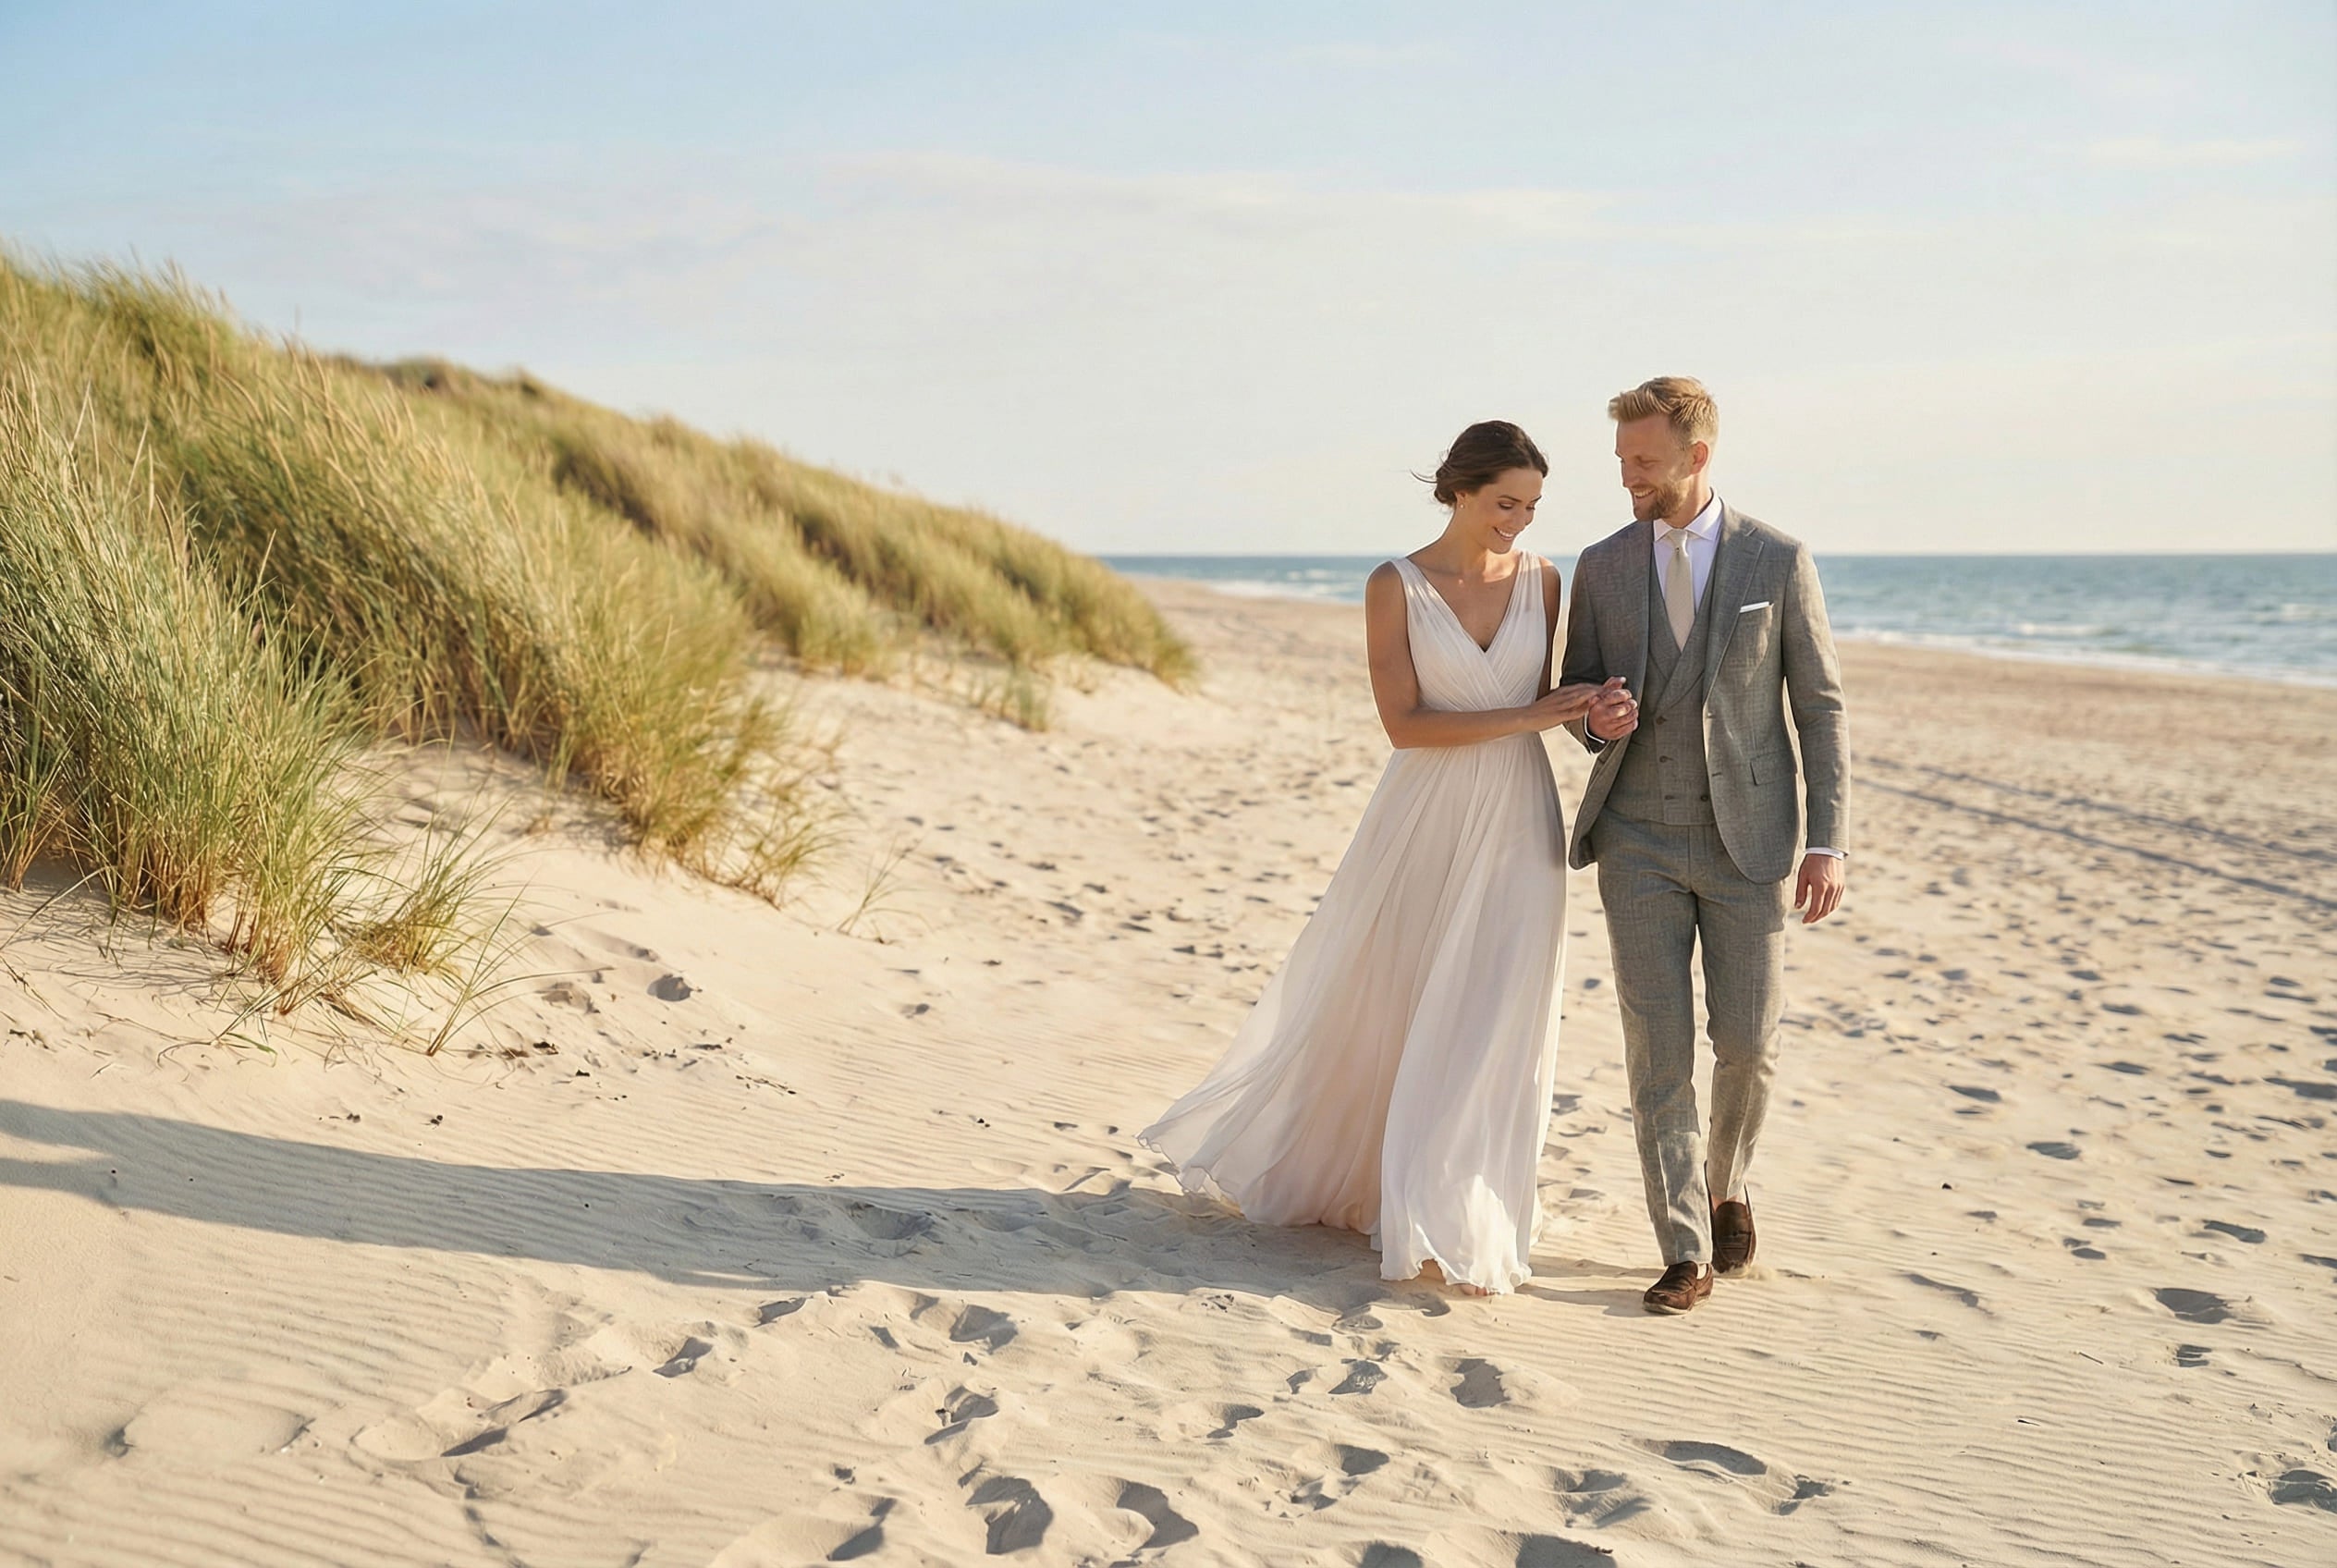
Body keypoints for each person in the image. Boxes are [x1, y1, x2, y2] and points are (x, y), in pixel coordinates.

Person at [1140, 420, 1629, 1295]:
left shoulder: (1546, 582)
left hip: (1520, 818)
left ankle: (1461, 1202)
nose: (1519, 521)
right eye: (1504, 503)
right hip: (1423, 814)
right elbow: (1405, 726)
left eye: (1532, 506)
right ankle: (1383, 1183)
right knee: (1397, 995)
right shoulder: (1394, 585)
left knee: (1496, 1011)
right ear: (1459, 491)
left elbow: (1569, 702)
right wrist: (1532, 716)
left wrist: (1595, 714)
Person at [1560, 376, 1852, 1315]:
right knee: (1657, 1052)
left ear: (1695, 456)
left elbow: (1817, 706)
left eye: (1640, 461)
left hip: (1749, 843)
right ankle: (1683, 1244)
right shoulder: (1602, 564)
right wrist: (1596, 720)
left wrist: (1827, 841)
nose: (1625, 478)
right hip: (1635, 836)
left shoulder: (1777, 559)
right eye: (1618, 461)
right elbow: (1576, 696)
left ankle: (1727, 1183)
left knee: (1748, 1045)